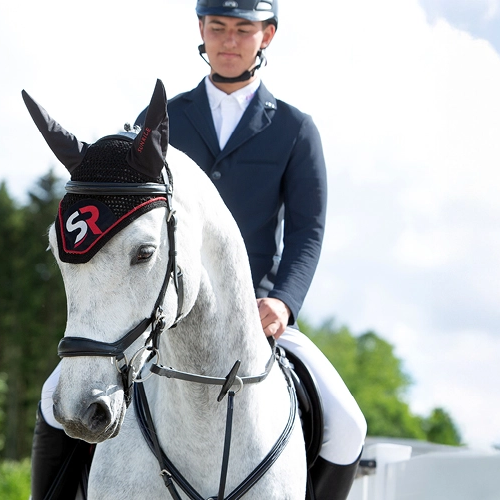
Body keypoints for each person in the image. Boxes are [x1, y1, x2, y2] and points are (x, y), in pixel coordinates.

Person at [30, 1, 366, 498]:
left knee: (347, 424)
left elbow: (305, 232)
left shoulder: (295, 129)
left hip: (258, 311)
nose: (229, 40)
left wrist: (283, 301)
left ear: (266, 36)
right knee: (53, 400)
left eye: (242, 29)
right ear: (202, 32)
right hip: (160, 306)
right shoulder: (160, 118)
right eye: (218, 28)